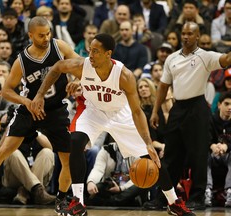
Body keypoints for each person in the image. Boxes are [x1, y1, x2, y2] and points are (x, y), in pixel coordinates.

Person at [33, 33, 195, 216]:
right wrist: (39, 94)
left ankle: (173, 203)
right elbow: (57, 67)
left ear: (108, 54)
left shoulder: (124, 75)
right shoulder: (82, 66)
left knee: (151, 157)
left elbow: (136, 111)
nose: (90, 55)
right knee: (76, 141)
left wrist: (148, 141)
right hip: (92, 111)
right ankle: (78, 202)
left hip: (121, 115)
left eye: (95, 51)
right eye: (89, 50)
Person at [0, 16, 80, 212]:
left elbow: (80, 65)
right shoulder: (21, 60)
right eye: (41, 35)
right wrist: (26, 102)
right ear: (30, 35)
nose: (46, 38)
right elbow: (7, 90)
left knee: (67, 158)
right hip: (29, 109)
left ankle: (62, 199)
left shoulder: (59, 47)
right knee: (5, 149)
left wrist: (78, 80)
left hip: (56, 108)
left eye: (48, 33)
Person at [150, 21, 231, 210]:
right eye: (183, 33)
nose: (185, 36)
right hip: (178, 108)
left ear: (197, 36)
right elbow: (163, 86)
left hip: (197, 107)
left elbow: (226, 60)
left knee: (198, 155)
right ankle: (164, 198)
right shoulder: (171, 58)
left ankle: (197, 197)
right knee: (171, 155)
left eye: (190, 33)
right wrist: (155, 110)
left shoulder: (206, 56)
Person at [205, 91, 231, 207]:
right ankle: (207, 191)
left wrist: (227, 146)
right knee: (203, 155)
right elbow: (205, 139)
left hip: (228, 155)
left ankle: (230, 191)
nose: (230, 108)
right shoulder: (211, 120)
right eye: (227, 104)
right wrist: (212, 146)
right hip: (213, 154)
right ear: (219, 105)